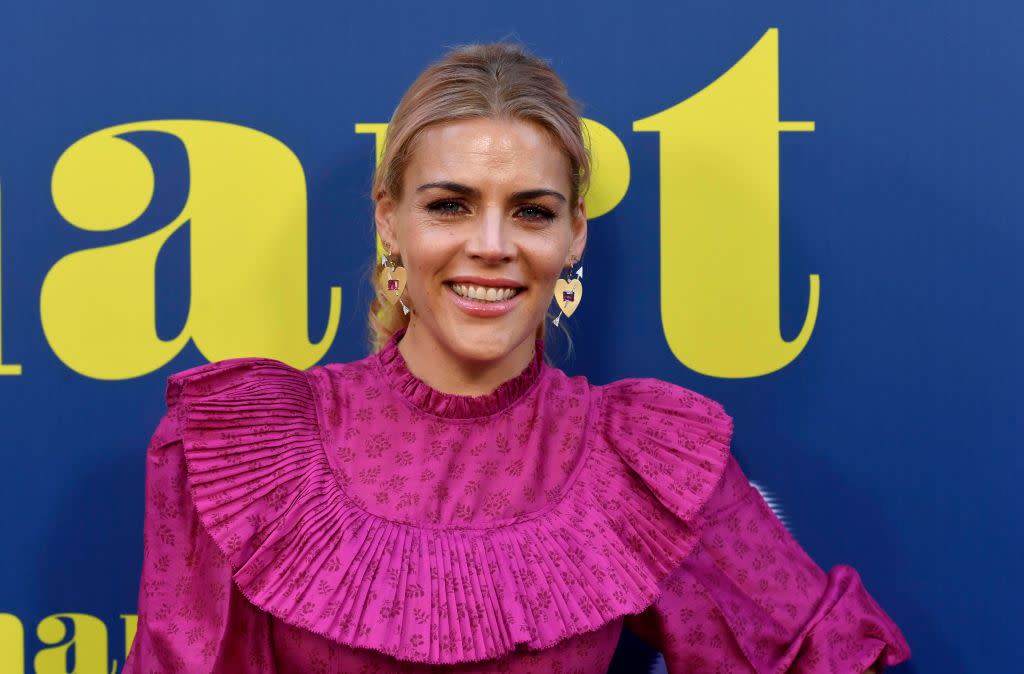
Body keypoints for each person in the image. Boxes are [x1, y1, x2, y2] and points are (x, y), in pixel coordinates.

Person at [123, 43, 911, 673]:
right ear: (389, 221)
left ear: (574, 237)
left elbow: (816, 654)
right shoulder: (251, 446)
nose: (491, 246)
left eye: (531, 212)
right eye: (450, 205)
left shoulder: (638, 457)